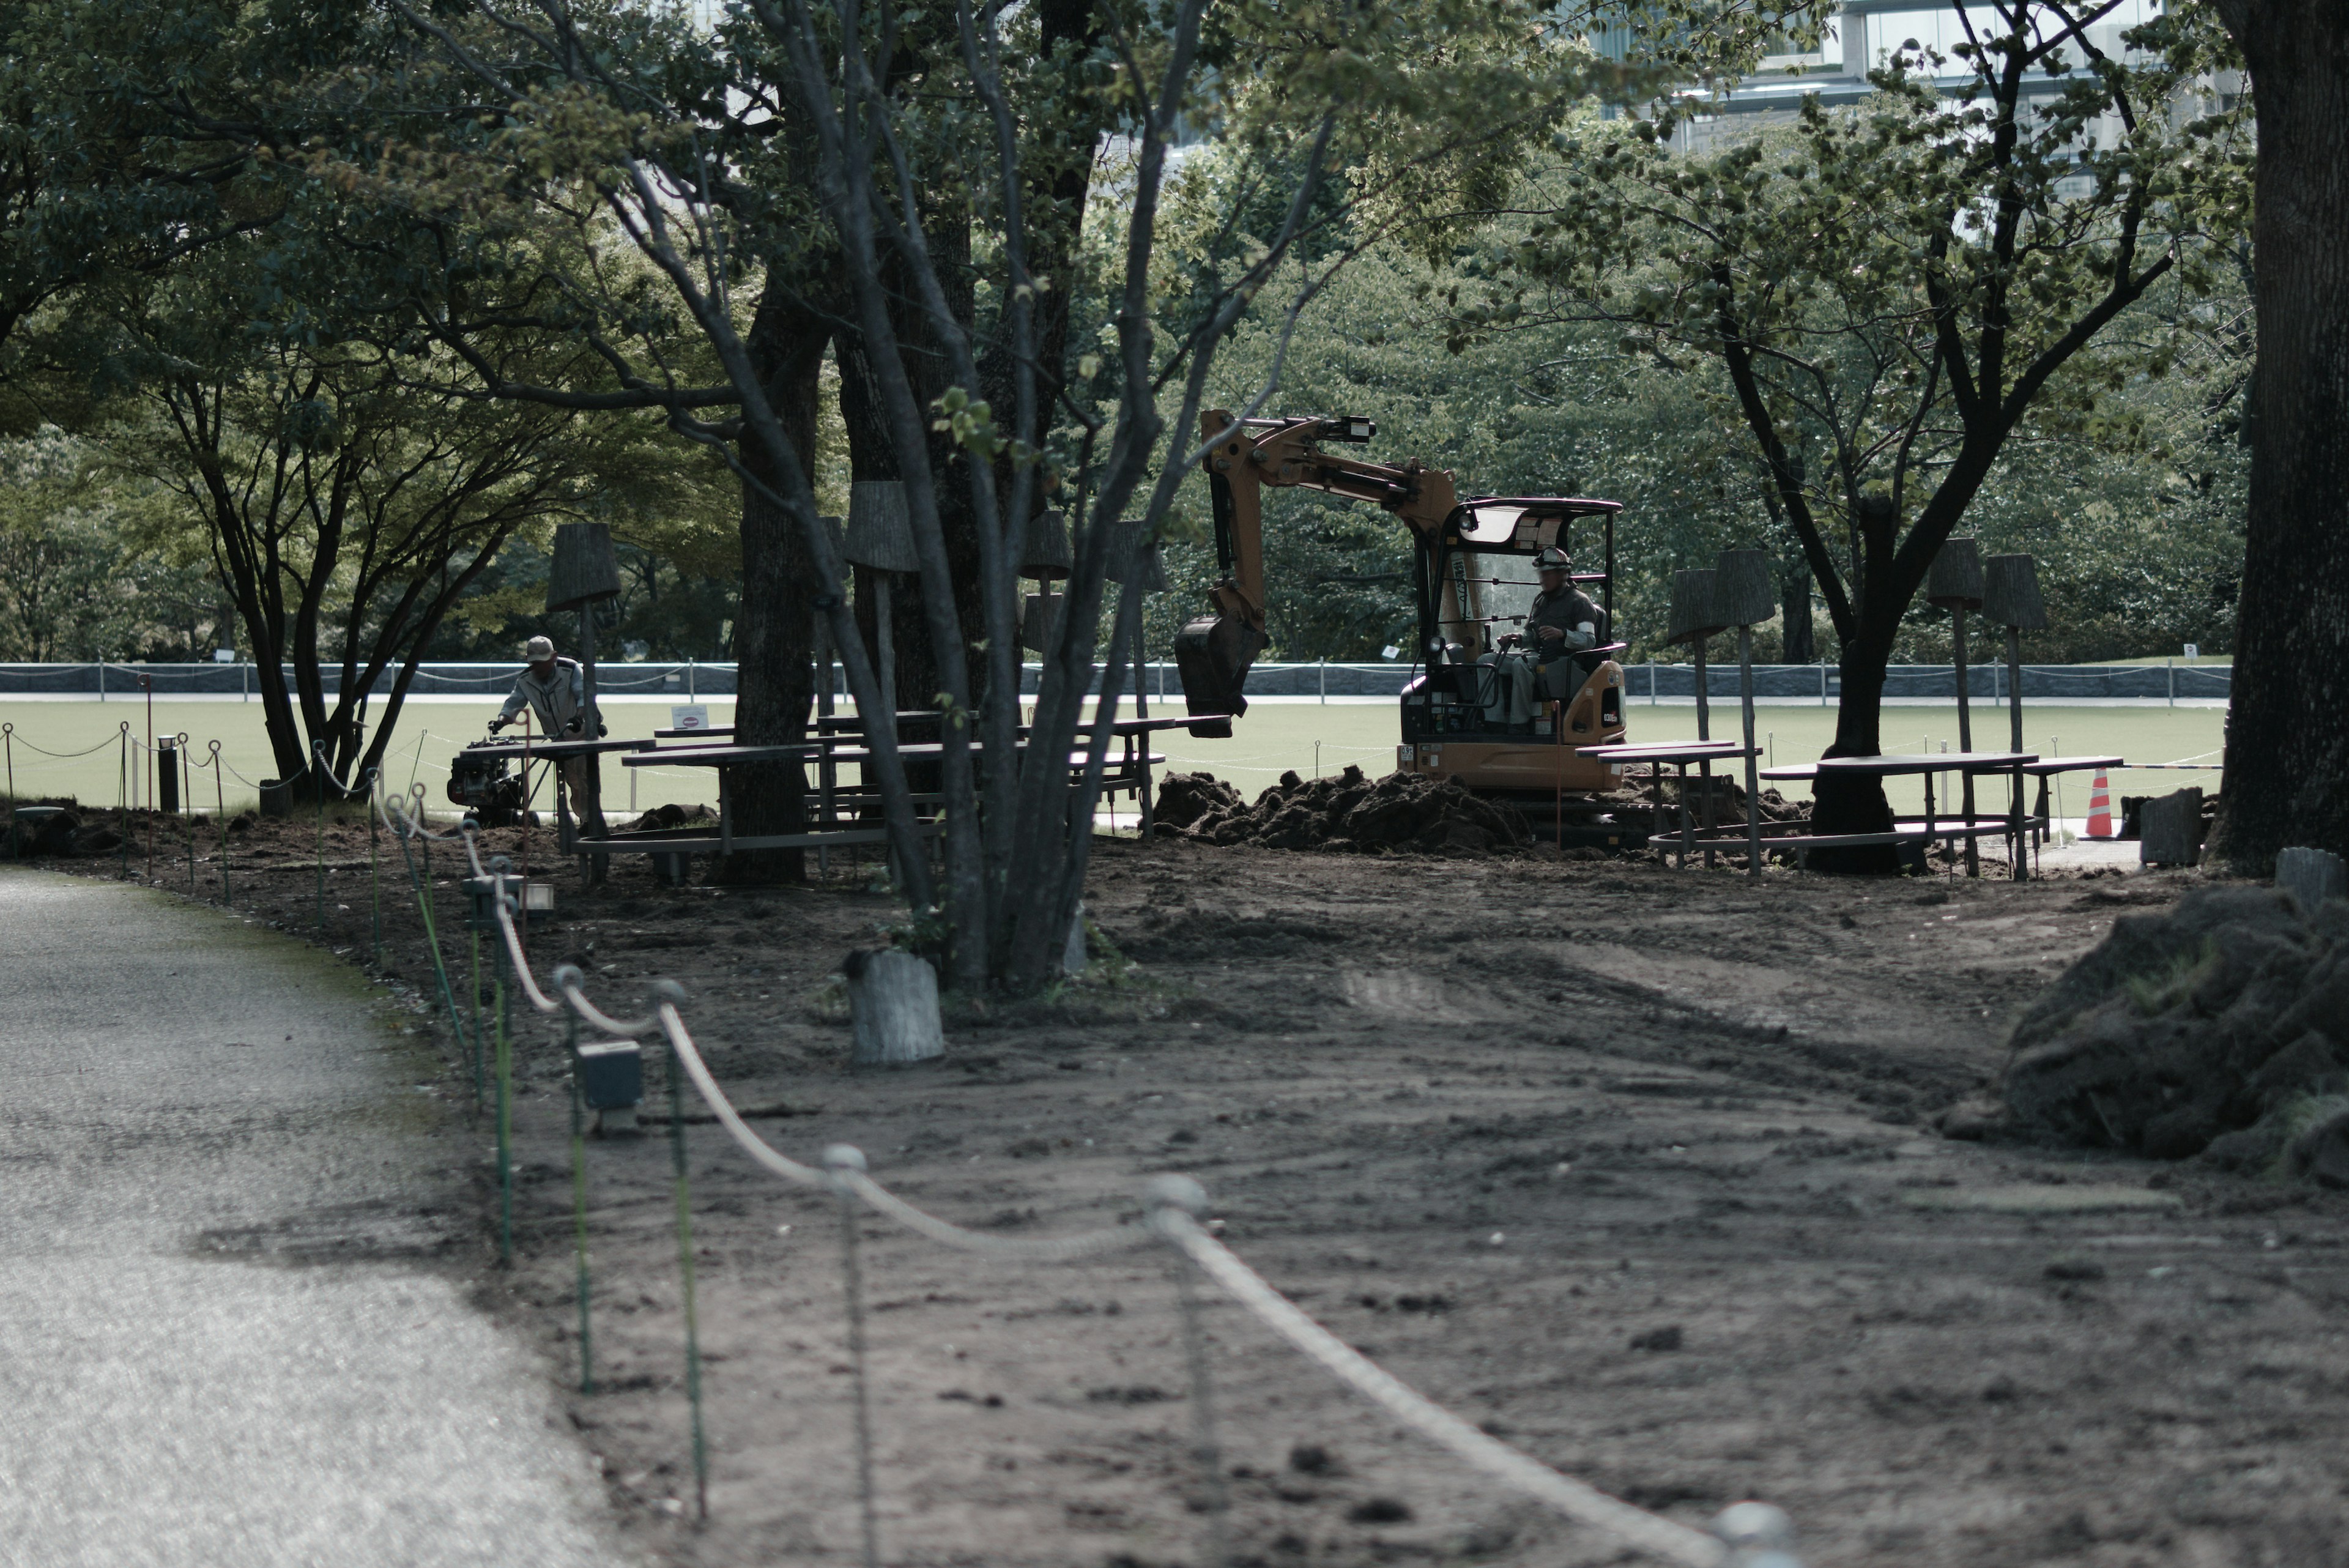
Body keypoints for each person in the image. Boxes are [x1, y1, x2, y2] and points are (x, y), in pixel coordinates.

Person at [490, 634, 600, 809]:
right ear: (527, 659)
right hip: (557, 741)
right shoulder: (525, 680)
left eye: (542, 662)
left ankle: (590, 823)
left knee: (586, 779)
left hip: (583, 736)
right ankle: (582, 822)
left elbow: (584, 696)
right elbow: (514, 703)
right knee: (574, 784)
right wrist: (500, 721)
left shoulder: (570, 669)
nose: (538, 667)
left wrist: (579, 717)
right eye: (534, 663)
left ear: (554, 657)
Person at [1523, 547, 1608, 700]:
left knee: (1520, 665)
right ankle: (1489, 718)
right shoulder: (1540, 601)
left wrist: (1563, 635)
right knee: (1487, 661)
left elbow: (1589, 640)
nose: (1542, 579)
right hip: (1538, 655)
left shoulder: (1580, 602)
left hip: (1565, 661)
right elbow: (1531, 635)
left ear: (1563, 574)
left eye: (1547, 574)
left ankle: (1519, 722)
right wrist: (1518, 638)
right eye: (1541, 574)